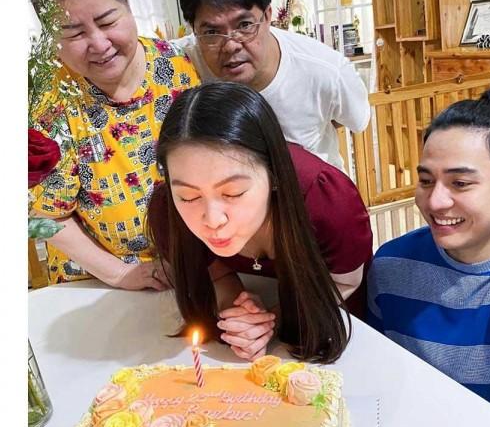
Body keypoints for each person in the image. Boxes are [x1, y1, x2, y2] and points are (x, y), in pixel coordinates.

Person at [147, 82, 373, 363]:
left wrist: (274, 319)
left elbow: (344, 282)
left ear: (273, 173)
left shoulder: (326, 202)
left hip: (327, 329)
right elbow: (214, 272)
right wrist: (241, 313)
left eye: (233, 193)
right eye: (189, 196)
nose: (213, 220)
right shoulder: (168, 211)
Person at [28, 0, 200, 289]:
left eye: (107, 22)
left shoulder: (177, 65)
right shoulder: (47, 104)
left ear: (129, 7)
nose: (99, 43)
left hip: (189, 261)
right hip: (94, 279)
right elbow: (41, 217)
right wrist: (119, 274)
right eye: (74, 33)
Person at [366, 78, 490, 410]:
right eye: (426, 181)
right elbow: (378, 373)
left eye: (460, 183)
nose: (435, 201)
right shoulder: (390, 266)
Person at [172, 0, 369, 172]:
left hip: (311, 189)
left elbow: (357, 120)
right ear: (194, 29)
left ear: (267, 16)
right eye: (212, 32)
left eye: (244, 25)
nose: (231, 45)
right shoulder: (178, 61)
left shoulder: (325, 69)